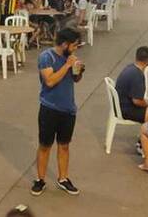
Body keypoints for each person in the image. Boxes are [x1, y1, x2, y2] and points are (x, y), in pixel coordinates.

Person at [31, 28, 84, 196]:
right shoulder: (46, 57)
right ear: (64, 44)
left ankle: (63, 178)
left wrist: (78, 71)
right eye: (74, 45)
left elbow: (74, 80)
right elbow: (50, 81)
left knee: (64, 145)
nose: (75, 48)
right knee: (45, 145)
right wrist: (67, 65)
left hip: (68, 108)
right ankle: (40, 179)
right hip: (49, 108)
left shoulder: (70, 58)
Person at [115, 46, 148, 123]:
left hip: (120, 105)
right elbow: (137, 101)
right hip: (126, 110)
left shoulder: (129, 68)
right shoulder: (137, 75)